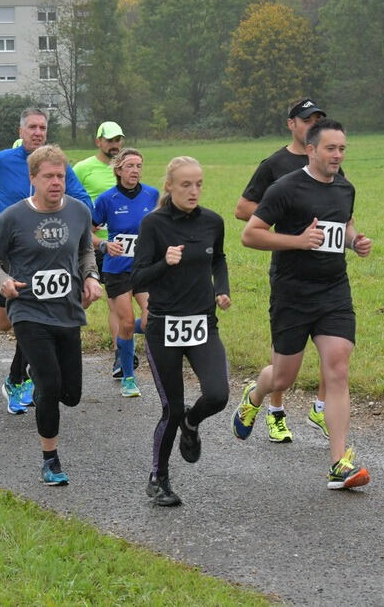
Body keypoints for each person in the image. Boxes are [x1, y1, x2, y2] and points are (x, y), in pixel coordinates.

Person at [237, 118, 372, 490]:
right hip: (292, 292)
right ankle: (256, 393)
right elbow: (251, 235)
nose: (338, 155)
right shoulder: (285, 188)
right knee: (284, 377)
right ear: (311, 150)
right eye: (331, 148)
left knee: (338, 368)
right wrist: (298, 241)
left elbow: (344, 225)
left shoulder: (345, 187)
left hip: (333, 290)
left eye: (342, 149)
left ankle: (339, 463)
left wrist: (355, 241)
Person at [0, 144, 102, 485]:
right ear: (32, 178)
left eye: (61, 176)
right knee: (48, 385)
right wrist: (3, 282)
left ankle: (39, 375)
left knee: (71, 395)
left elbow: (85, 250)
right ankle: (51, 461)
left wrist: (91, 277)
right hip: (28, 310)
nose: (56, 182)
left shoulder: (78, 211)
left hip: (67, 311)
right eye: (48, 176)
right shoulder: (14, 217)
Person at [0, 108, 93, 414]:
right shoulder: (1, 160)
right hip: (12, 254)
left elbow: (83, 201)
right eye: (32, 127)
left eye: (43, 127)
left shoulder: (57, 165)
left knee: (30, 319)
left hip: (48, 255)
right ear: (21, 130)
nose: (38, 132)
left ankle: (18, 379)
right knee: (12, 321)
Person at [132, 156, 231, 506]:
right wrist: (165, 262)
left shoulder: (213, 222)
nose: (194, 191)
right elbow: (137, 276)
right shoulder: (153, 225)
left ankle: (192, 423)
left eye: (199, 184)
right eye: (186, 184)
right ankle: (159, 478)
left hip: (203, 323)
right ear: (170, 186)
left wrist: (222, 289)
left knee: (218, 394)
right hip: (164, 327)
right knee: (170, 408)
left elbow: (218, 258)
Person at [235, 98, 330, 444]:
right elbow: (243, 208)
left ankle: (322, 407)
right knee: (285, 358)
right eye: (307, 120)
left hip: (326, 271)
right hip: (289, 270)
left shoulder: (326, 159)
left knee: (335, 349)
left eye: (318, 119)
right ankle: (274, 410)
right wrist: (284, 216)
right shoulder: (275, 164)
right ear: (291, 124)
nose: (313, 124)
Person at [91, 147, 159, 397]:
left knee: (153, 319)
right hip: (117, 270)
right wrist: (104, 245)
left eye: (139, 166)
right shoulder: (107, 199)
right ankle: (129, 377)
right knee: (127, 322)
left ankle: (124, 340)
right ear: (118, 170)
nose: (135, 170)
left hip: (144, 268)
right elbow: (88, 231)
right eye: (130, 166)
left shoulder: (152, 195)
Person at [73, 121, 131, 378]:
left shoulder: (127, 168)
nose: (115, 145)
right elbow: (70, 198)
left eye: (118, 140)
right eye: (110, 140)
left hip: (121, 246)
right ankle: (62, 326)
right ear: (98, 141)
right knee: (84, 297)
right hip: (91, 244)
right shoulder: (82, 168)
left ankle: (121, 356)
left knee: (114, 302)